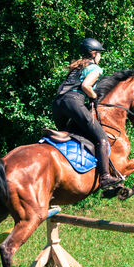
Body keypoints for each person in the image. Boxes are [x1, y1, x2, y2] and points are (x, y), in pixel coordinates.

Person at [52, 38, 123, 189]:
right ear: (94, 54)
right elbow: (86, 86)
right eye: (100, 54)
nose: (101, 57)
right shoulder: (95, 68)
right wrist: (94, 96)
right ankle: (104, 177)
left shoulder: (76, 67)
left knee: (68, 134)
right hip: (72, 102)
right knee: (102, 137)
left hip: (57, 104)